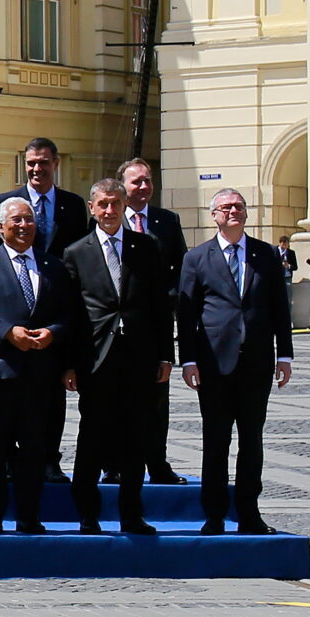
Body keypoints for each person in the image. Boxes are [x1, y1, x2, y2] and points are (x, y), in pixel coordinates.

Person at [61, 178, 174, 535]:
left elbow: (160, 303)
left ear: (124, 207)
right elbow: (70, 313)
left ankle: (131, 514)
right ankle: (87, 513)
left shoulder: (146, 246)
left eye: (115, 204)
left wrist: (165, 355)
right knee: (92, 437)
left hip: (138, 359)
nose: (109, 211)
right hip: (95, 359)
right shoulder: (76, 252)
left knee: (135, 439)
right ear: (92, 208)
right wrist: (68, 364)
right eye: (103, 205)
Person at [177, 188, 293, 535]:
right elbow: (186, 315)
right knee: (215, 440)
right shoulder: (197, 258)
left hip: (256, 363)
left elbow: (279, 309)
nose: (233, 211)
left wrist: (284, 355)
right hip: (214, 364)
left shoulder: (266, 254)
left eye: (239, 206)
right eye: (226, 207)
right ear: (213, 215)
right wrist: (188, 360)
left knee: (251, 440)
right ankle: (214, 514)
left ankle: (249, 513)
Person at [0, 197, 73, 534]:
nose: (24, 226)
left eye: (29, 219)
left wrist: (53, 333)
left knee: (35, 447)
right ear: (0, 227)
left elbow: (70, 313)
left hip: (41, 372)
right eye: (16, 220)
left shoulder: (54, 265)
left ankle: (29, 516)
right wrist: (7, 332)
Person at [0, 138, 89, 482]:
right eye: (30, 163)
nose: (36, 169)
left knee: (52, 393)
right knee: (12, 393)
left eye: (43, 162)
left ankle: (49, 458)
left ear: (55, 163)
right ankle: (15, 460)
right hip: (12, 313)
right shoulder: (4, 203)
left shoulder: (73, 206)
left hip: (55, 311)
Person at [118, 157, 189, 485]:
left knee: (157, 399)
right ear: (123, 186)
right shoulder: (109, 218)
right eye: (137, 182)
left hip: (155, 325)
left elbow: (182, 269)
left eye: (148, 181)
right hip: (115, 326)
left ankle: (157, 463)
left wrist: (167, 299)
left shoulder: (167, 221)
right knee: (113, 397)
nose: (144, 187)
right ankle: (113, 463)